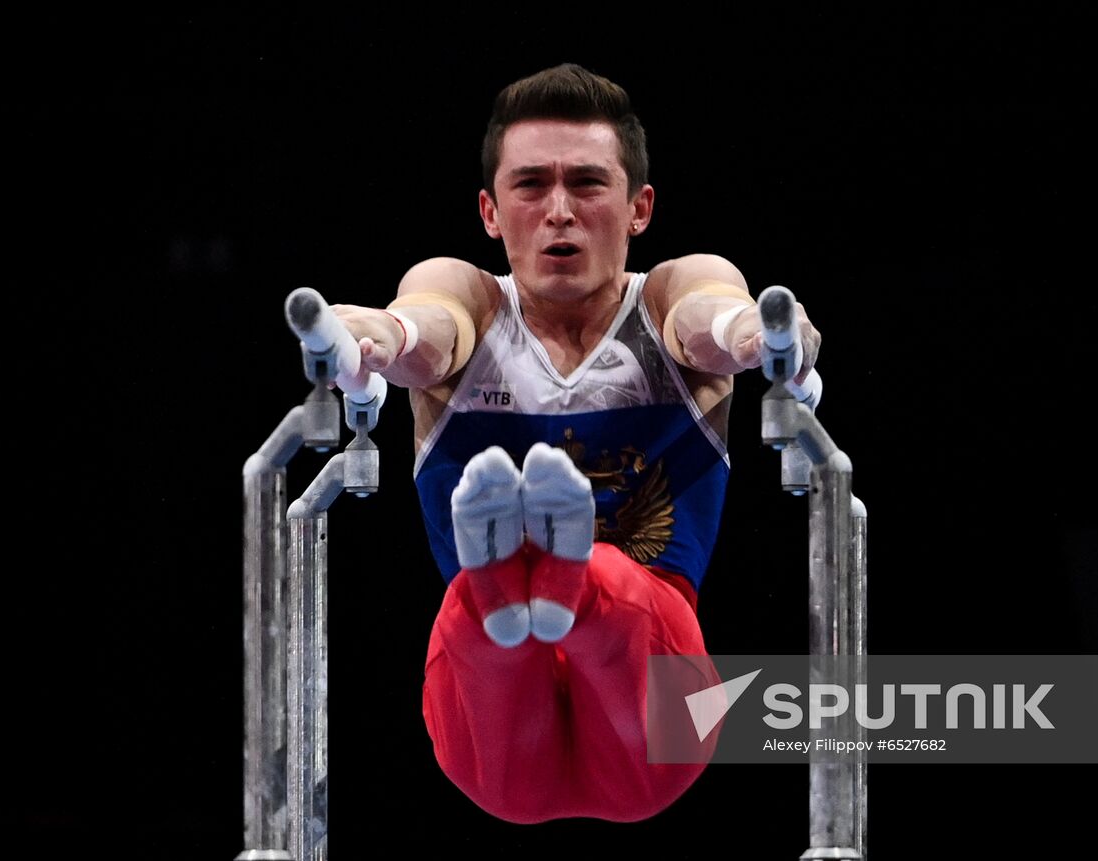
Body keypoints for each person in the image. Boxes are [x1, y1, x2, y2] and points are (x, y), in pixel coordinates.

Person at [330, 63, 821, 823]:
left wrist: (754, 335)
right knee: (479, 620)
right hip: (488, 729)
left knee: (615, 592)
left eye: (588, 183)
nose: (559, 210)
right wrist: (372, 338)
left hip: (658, 713)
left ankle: (551, 575)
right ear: (491, 211)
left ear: (639, 209)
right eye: (531, 186)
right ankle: (511, 581)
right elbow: (424, 326)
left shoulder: (666, 297)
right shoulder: (468, 296)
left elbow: (710, 313)